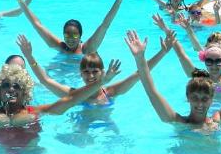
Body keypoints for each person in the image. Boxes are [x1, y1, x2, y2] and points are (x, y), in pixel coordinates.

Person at [126, 28, 221, 131]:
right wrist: (139, 58)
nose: (200, 103)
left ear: (211, 99)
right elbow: (151, 91)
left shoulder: (217, 120)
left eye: (204, 99)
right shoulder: (177, 121)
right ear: (188, 97)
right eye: (195, 98)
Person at [17, 31, 173, 106]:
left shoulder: (111, 92)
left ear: (103, 72)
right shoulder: (74, 95)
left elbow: (140, 74)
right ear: (80, 74)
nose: (90, 76)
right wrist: (29, 56)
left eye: (95, 72)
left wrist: (162, 53)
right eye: (86, 72)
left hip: (107, 128)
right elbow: (46, 80)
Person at [17, 0, 124, 54]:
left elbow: (105, 25)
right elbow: (37, 24)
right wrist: (20, 1)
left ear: (80, 35)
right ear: (63, 35)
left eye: (75, 35)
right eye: (67, 34)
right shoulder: (60, 47)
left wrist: (118, 1)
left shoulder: (87, 49)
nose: (71, 38)